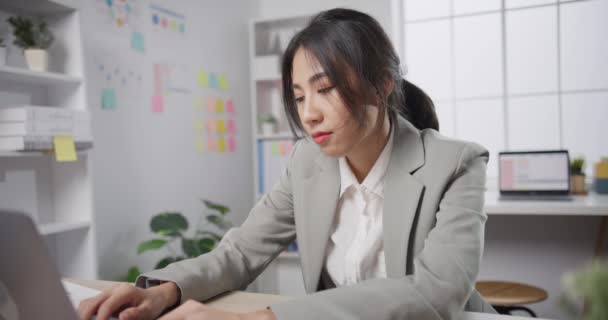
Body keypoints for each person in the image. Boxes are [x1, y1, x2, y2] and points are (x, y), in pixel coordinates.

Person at [78, 8, 495, 320]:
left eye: (325, 88)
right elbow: (242, 252)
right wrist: (165, 290)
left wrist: (267, 318)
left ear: (382, 84)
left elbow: (437, 292)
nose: (309, 113)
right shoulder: (307, 163)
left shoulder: (457, 162)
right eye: (299, 96)